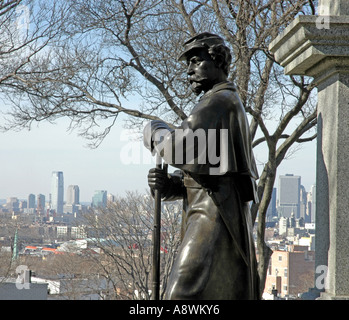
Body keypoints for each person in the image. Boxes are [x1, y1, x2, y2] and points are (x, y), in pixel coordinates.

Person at [143, 32, 260, 300]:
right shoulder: (221, 100)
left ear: (218, 60)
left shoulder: (217, 102)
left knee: (180, 295)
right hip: (210, 214)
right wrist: (171, 185)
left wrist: (154, 129)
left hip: (213, 218)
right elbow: (210, 175)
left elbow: (177, 148)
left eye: (196, 61)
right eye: (189, 64)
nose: (189, 71)